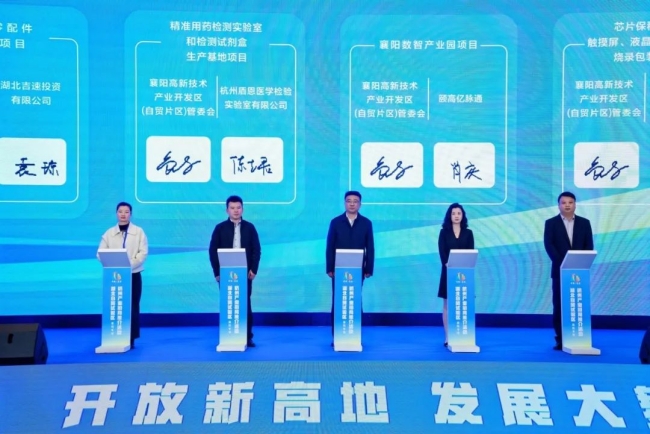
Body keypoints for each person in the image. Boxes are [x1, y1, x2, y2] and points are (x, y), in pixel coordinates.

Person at [209, 195, 261, 347]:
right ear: (227, 210)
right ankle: (228, 335)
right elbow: (212, 251)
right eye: (232, 208)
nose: (236, 210)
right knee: (228, 303)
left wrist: (253, 269)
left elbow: (256, 250)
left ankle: (247, 337)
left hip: (245, 273)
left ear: (242, 209)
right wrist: (217, 272)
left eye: (238, 207)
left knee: (245, 304)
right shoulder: (220, 228)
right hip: (225, 273)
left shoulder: (250, 228)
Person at [544, 191, 594, 350]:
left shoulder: (584, 223)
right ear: (558, 205)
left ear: (575, 204)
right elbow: (549, 245)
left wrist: (579, 262)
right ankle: (560, 338)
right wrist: (563, 264)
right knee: (559, 305)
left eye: (570, 202)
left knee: (579, 304)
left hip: (580, 272)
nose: (567, 205)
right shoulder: (551, 223)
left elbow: (589, 245)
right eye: (563, 202)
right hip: (560, 272)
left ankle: (580, 336)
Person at [97, 202, 149, 349]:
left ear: (130, 214)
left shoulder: (139, 232)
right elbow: (100, 253)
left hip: (133, 275)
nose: (123, 214)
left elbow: (143, 253)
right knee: (115, 306)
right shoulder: (109, 233)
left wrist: (128, 265)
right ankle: (113, 336)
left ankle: (131, 338)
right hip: (114, 276)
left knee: (132, 306)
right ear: (116, 214)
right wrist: (115, 263)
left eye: (126, 212)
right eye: (120, 211)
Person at [326, 191, 375, 341]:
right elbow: (330, 246)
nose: (352, 204)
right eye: (349, 201)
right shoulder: (336, 222)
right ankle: (337, 336)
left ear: (360, 204)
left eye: (355, 201)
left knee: (355, 299)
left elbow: (370, 247)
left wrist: (368, 268)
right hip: (338, 269)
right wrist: (329, 268)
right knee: (338, 301)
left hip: (358, 269)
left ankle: (355, 335)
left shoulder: (366, 223)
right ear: (344, 203)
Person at [437, 203, 475, 347]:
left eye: (459, 213)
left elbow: (470, 252)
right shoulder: (444, 232)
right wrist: (447, 263)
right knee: (447, 303)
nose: (456, 216)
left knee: (463, 303)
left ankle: (463, 336)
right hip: (448, 272)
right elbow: (442, 252)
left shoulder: (468, 233)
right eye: (453, 213)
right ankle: (448, 337)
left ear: (463, 215)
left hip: (464, 274)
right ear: (449, 216)